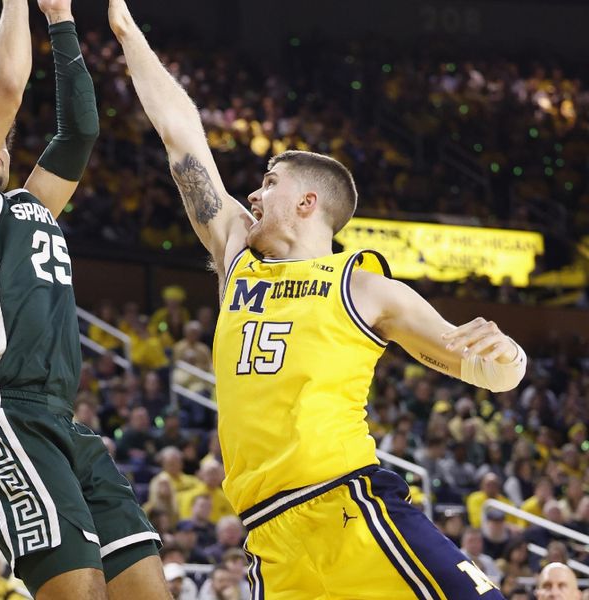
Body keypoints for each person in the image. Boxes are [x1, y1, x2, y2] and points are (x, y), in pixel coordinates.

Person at [107, 1, 527, 597]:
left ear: (309, 203)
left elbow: (483, 370)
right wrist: (125, 28)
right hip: (269, 537)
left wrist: (510, 358)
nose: (252, 194)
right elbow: (181, 138)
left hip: (350, 509)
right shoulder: (237, 259)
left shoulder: (365, 287)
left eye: (270, 182)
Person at [0, 1, 166, 598]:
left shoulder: (33, 205)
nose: (0, 143)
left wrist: (59, 18)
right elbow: (3, 88)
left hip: (64, 421)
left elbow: (80, 130)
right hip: (4, 415)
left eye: (5, 139)